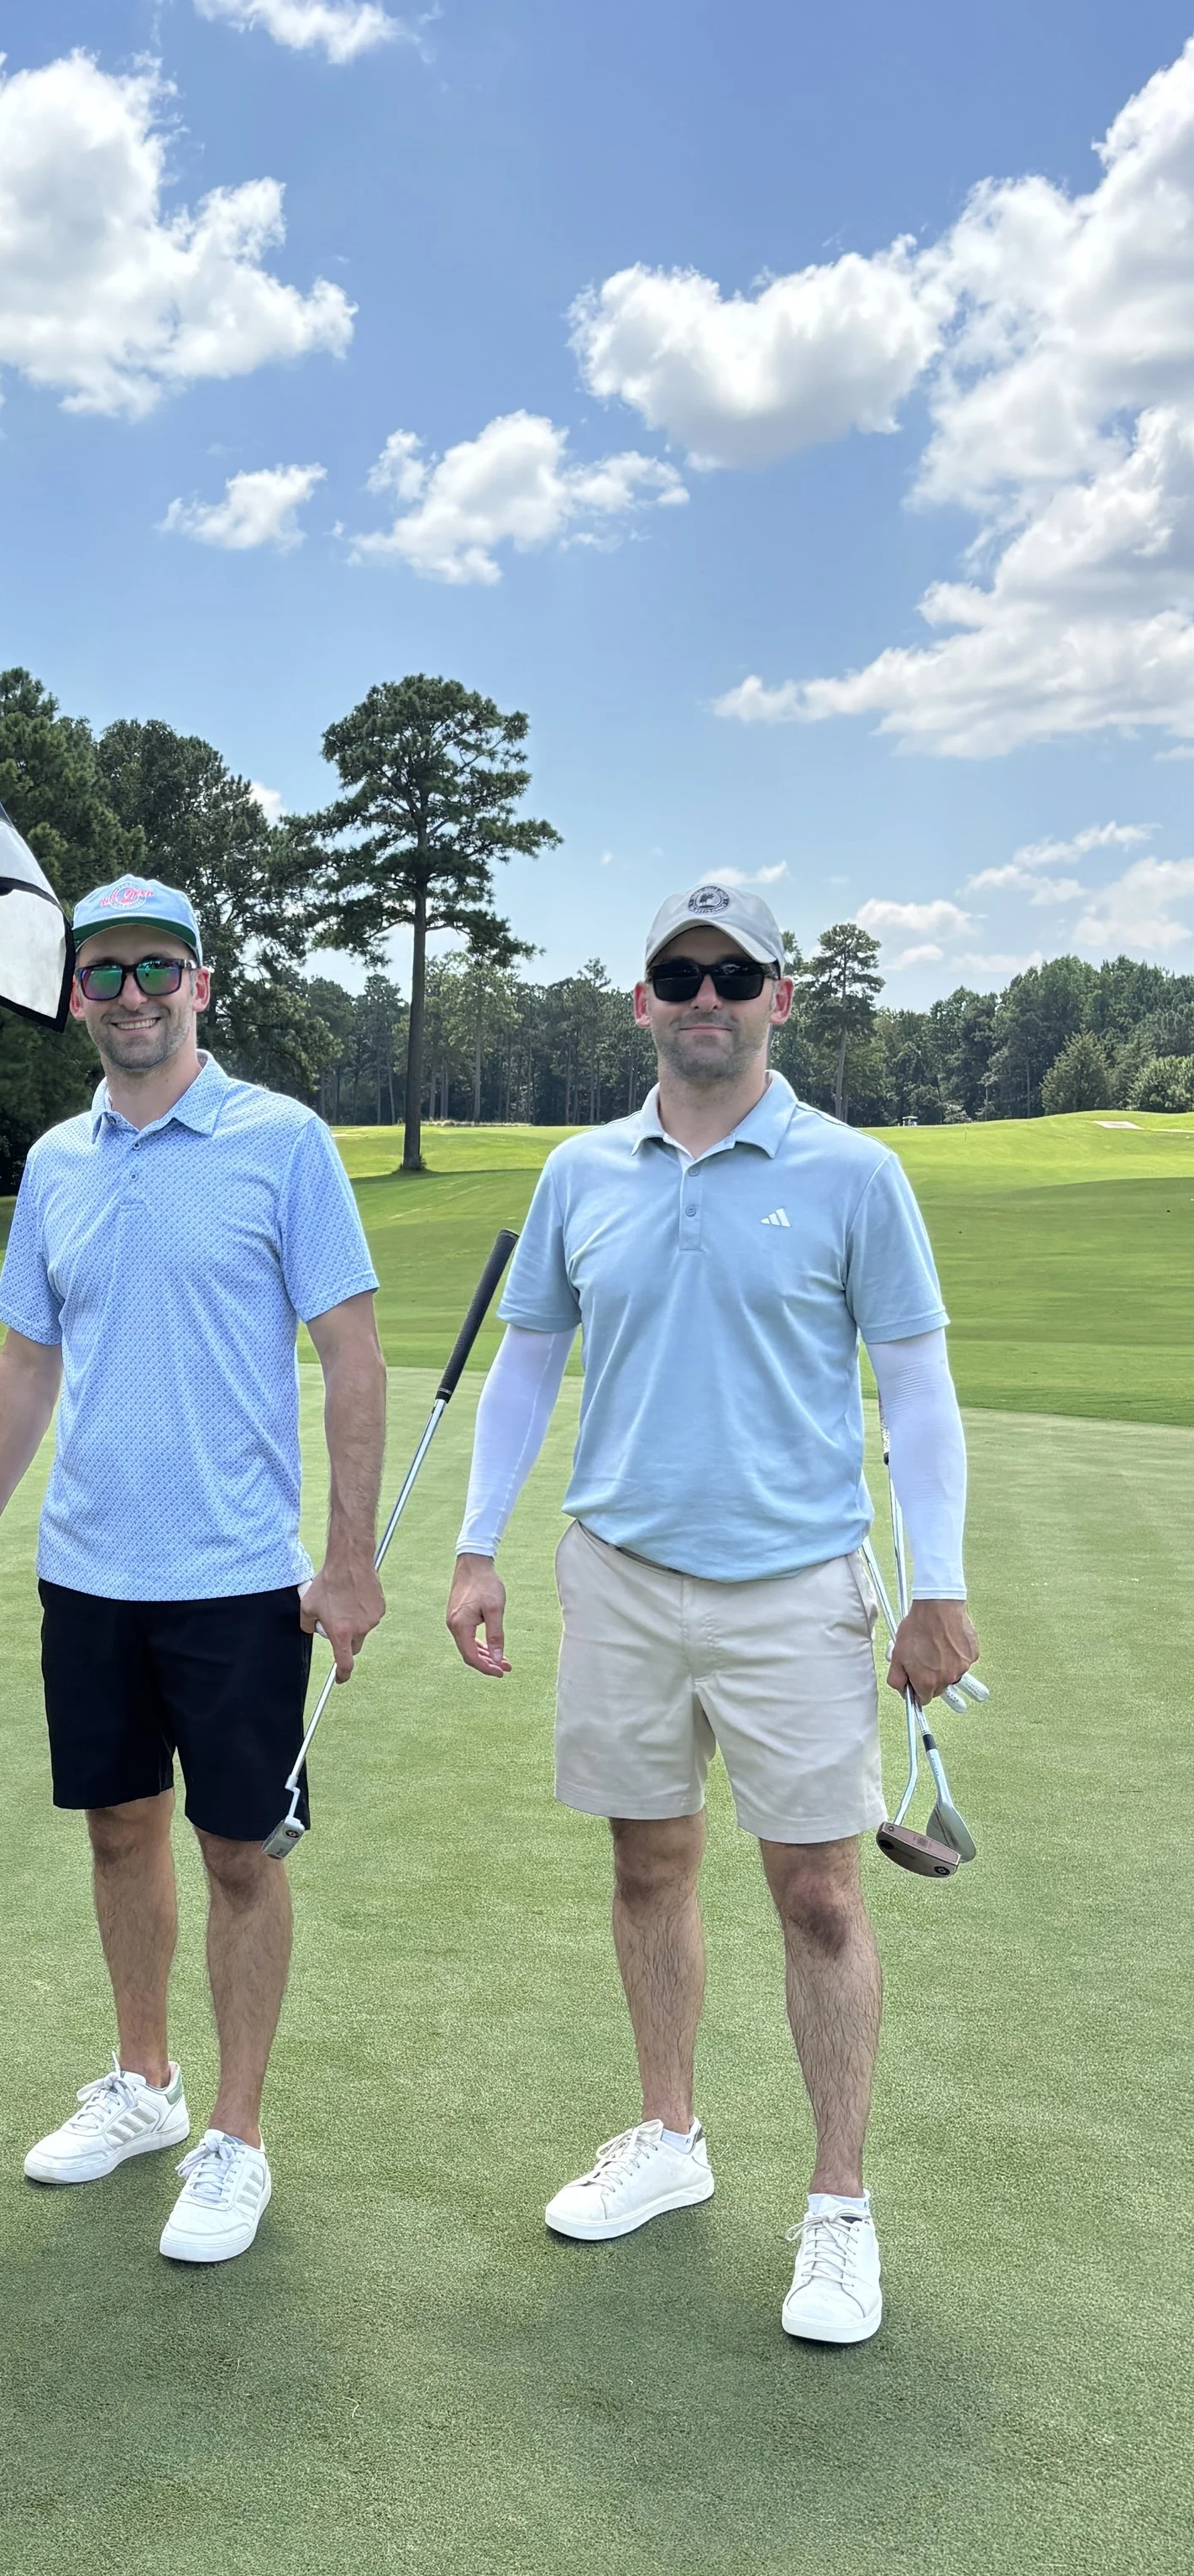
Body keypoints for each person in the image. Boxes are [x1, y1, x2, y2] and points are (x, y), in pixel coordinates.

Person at [446, 883, 979, 2345]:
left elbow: (917, 1390)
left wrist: (940, 1584)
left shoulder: (855, 1173)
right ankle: (671, 2139)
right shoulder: (581, 1174)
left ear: (777, 998)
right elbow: (528, 1369)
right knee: (647, 1866)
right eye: (679, 973)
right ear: (642, 1000)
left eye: (733, 973)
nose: (706, 995)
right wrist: (476, 1544)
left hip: (795, 1583)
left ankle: (837, 2210)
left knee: (817, 1894)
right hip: (618, 1572)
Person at [0, 876, 387, 2264]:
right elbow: (26, 1361)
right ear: (76, 996)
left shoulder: (283, 1142)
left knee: (241, 1854)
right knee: (119, 1829)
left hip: (241, 1576)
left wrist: (350, 1560)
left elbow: (351, 1358)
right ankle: (145, 2084)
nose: (130, 996)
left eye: (156, 970)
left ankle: (235, 2139)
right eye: (103, 975)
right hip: (89, 1575)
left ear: (201, 982)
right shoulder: (59, 1163)